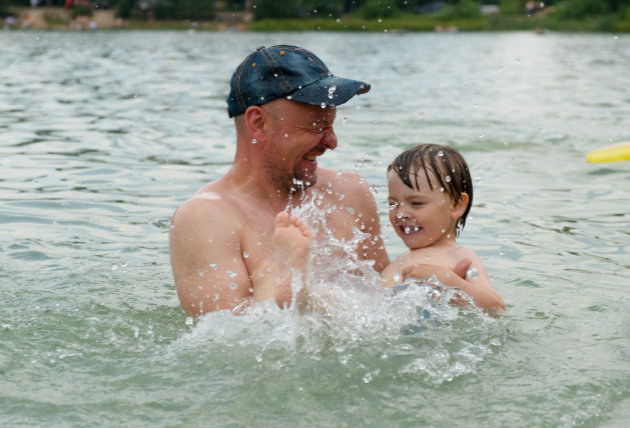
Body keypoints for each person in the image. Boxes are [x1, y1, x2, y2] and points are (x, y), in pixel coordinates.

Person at [169, 45, 390, 317]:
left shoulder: (350, 191)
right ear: (258, 123)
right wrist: (274, 271)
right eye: (315, 127)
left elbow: (387, 303)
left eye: (331, 126)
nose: (332, 142)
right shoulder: (206, 218)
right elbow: (223, 347)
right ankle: (280, 284)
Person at [269, 144, 505, 314]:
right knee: (340, 302)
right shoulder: (402, 260)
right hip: (382, 319)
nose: (400, 213)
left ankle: (301, 294)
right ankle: (300, 291)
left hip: (418, 338)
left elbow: (496, 307)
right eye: (393, 203)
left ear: (457, 205)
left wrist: (449, 281)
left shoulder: (460, 257)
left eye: (416, 203)